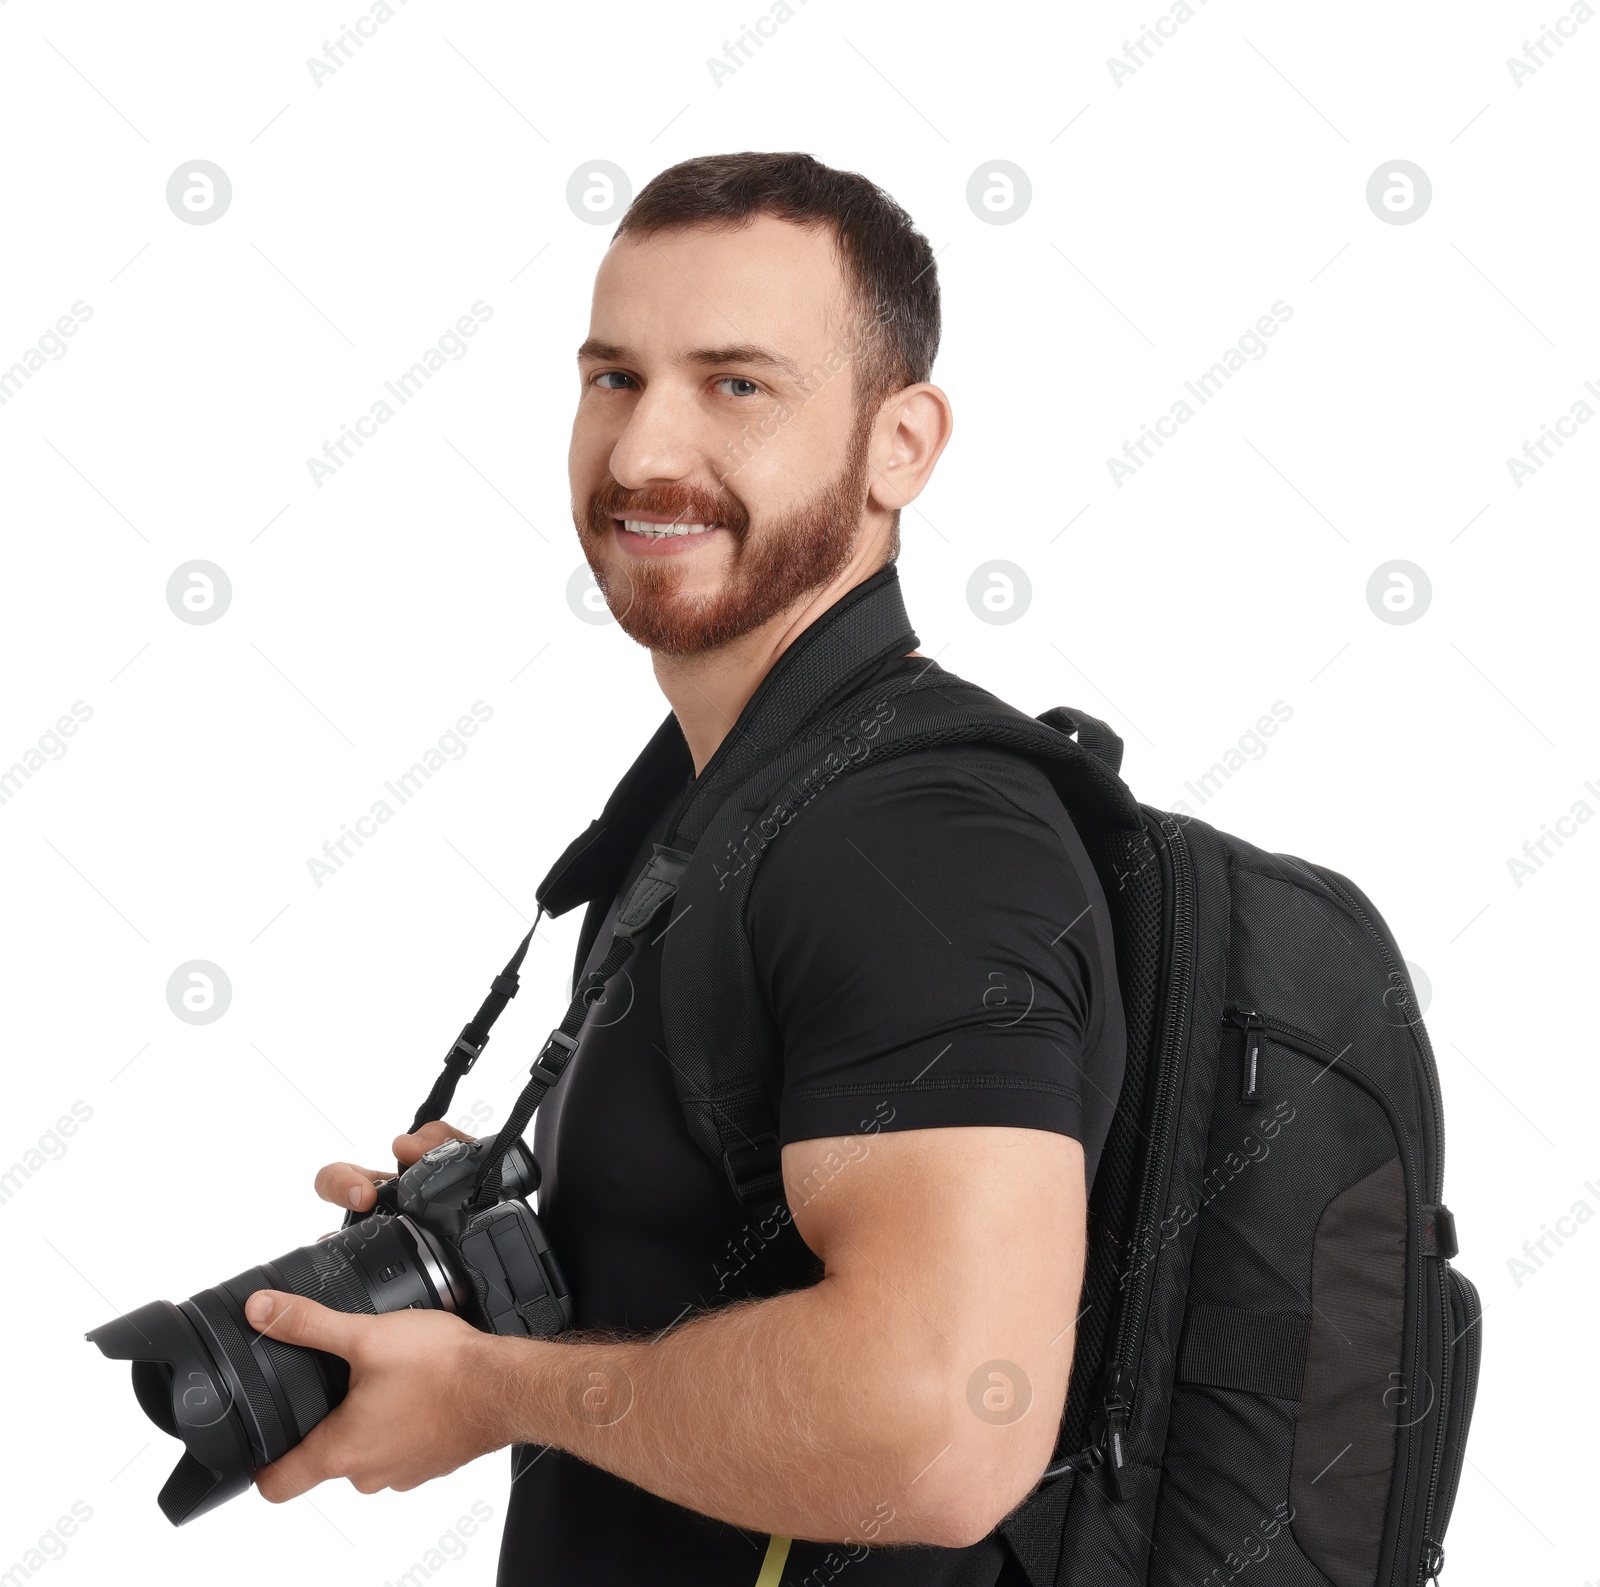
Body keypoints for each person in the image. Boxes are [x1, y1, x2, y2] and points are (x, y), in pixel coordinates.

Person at [243, 151, 1126, 1587]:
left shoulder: (923, 841)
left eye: (737, 385)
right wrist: (540, 1263)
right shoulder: (729, 798)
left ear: (900, 443)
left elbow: (951, 1427)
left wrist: (493, 1394)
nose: (646, 452)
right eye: (613, 379)